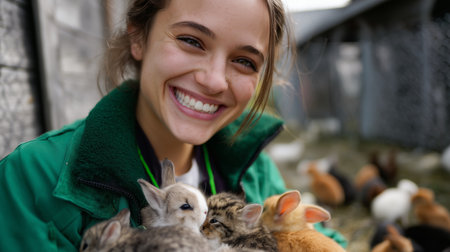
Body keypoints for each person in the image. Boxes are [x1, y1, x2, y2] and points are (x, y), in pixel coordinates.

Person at [0, 0, 346, 251]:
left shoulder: (255, 171)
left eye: (244, 61)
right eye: (192, 41)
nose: (213, 81)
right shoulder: (33, 179)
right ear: (138, 38)